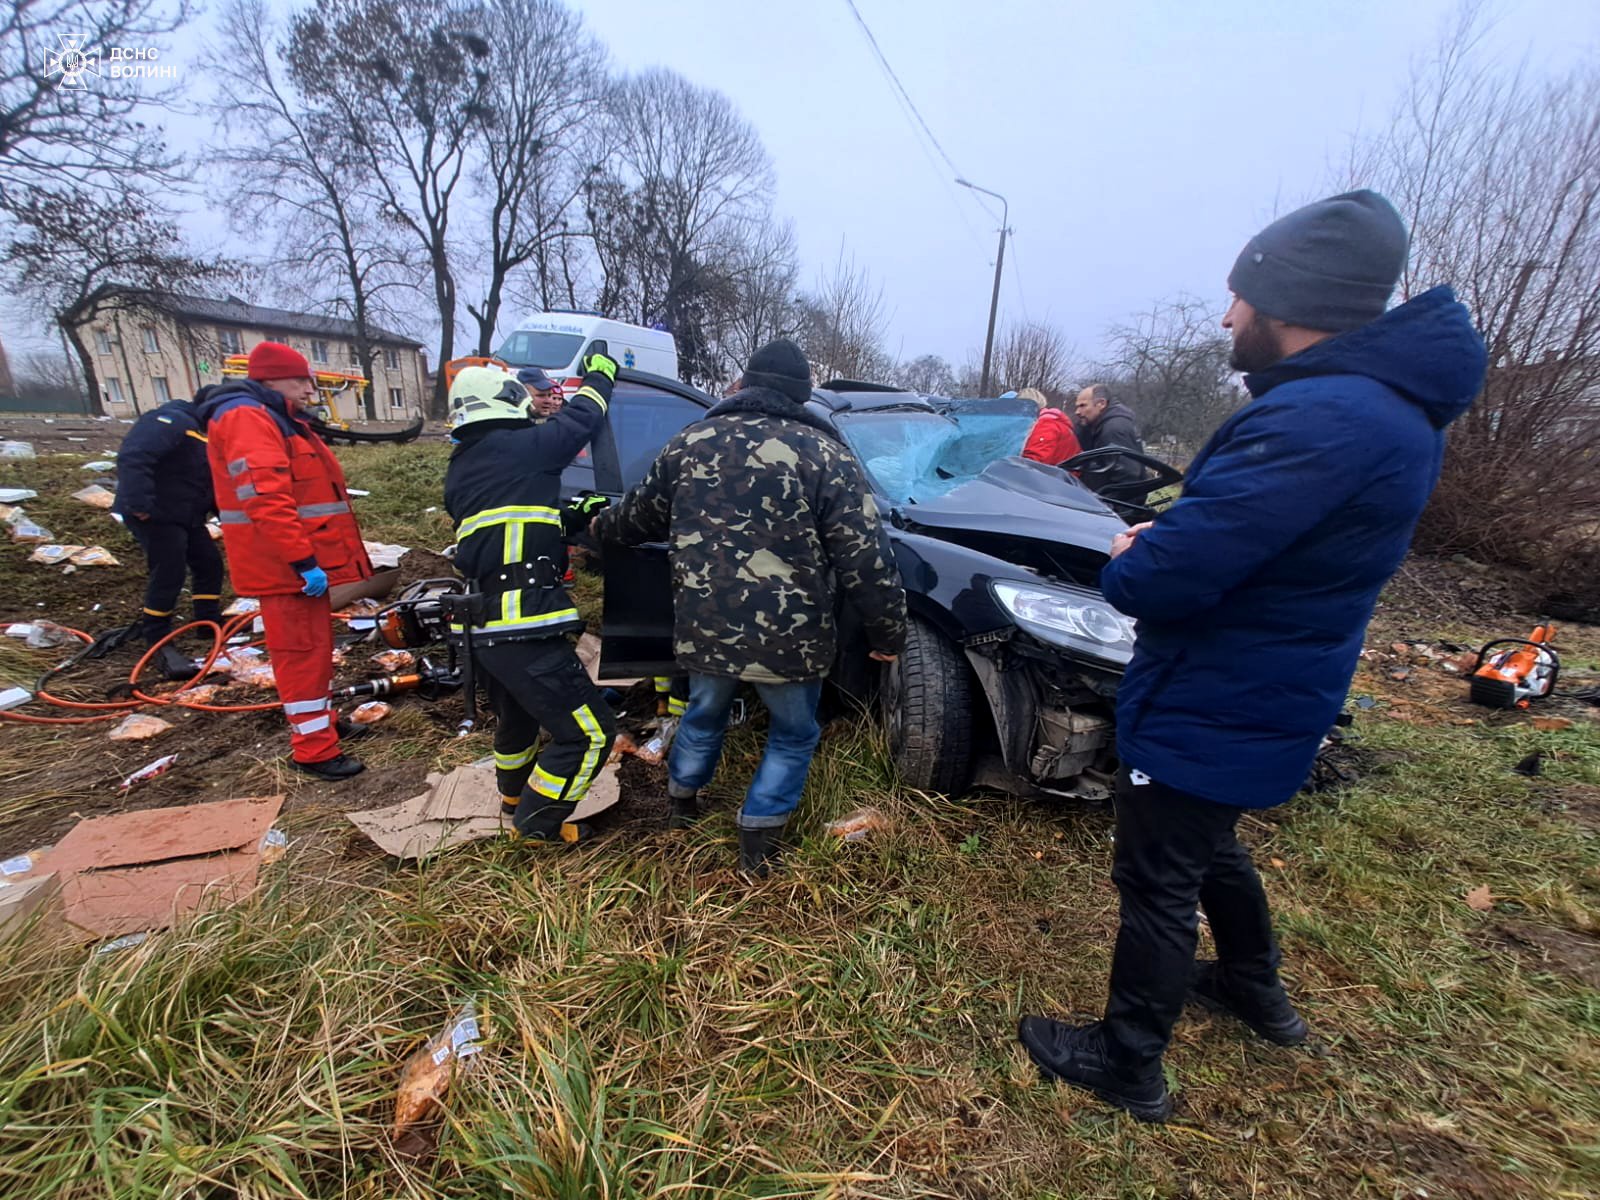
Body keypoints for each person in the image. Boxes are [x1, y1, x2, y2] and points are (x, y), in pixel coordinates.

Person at [1017, 190, 1488, 1122]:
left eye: (1239, 296)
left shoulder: (1317, 420)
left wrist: (1137, 554)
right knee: (1211, 845)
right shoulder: (1386, 412)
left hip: (1215, 691)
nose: (1227, 316)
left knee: (1155, 878)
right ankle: (1253, 988)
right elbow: (1268, 539)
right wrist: (1182, 527)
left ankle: (1128, 1060)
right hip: (1276, 680)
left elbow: (1165, 583)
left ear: (1288, 302)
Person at [593, 338, 908, 875]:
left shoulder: (690, 441)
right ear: (803, 395)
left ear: (747, 383)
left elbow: (637, 519)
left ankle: (682, 806)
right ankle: (758, 841)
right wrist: (888, 634)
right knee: (793, 733)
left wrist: (597, 527)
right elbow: (865, 556)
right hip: (791, 636)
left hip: (706, 626)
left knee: (704, 712)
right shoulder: (825, 454)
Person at [444, 354, 618, 843]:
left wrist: (567, 517)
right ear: (507, 404)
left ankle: (514, 795)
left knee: (517, 717)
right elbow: (582, 419)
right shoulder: (521, 447)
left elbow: (509, 522)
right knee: (590, 733)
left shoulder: (466, 466)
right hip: (521, 622)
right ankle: (537, 825)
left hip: (484, 627)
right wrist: (601, 375)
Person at [196, 341, 375, 781]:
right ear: (271, 379)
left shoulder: (272, 416)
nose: (308, 388)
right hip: (284, 566)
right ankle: (314, 749)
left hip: (292, 563)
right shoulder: (248, 418)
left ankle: (324, 727)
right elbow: (267, 498)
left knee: (314, 652)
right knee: (301, 656)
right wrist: (302, 561)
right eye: (300, 380)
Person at [111, 391, 225, 678]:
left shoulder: (202, 432)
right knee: (169, 571)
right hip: (156, 513)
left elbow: (205, 480)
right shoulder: (171, 420)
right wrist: (139, 504)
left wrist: (224, 515)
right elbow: (134, 457)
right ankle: (158, 639)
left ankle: (207, 622)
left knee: (209, 563)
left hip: (186, 514)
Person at [1072, 384, 1145, 492]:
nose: (1077, 412)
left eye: (1083, 406)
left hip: (1113, 503)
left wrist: (1113, 505)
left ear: (1101, 403)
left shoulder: (1114, 429)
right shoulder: (1092, 426)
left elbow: (1127, 476)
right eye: (1077, 407)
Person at [1019, 387, 1081, 467]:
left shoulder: (1046, 425)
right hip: (1063, 473)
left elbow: (1034, 462)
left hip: (1061, 476)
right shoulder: (1053, 421)